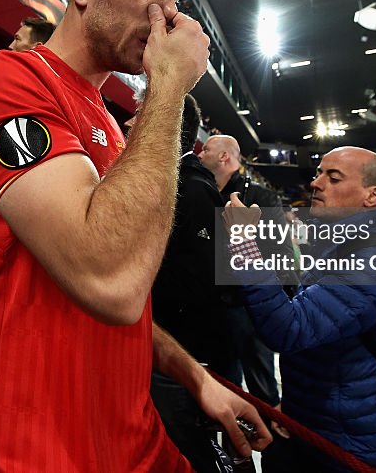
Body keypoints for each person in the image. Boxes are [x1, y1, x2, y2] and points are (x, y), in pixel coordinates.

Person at [0, 0, 270, 471]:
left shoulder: (106, 119)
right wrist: (168, 86)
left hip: (130, 437)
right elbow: (111, 281)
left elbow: (132, 302)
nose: (167, 14)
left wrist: (193, 374)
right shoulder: (13, 82)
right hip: (39, 449)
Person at [225, 146, 376, 472]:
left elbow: (289, 329)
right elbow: (330, 347)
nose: (315, 183)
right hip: (336, 429)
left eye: (333, 177)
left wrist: (243, 242)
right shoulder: (348, 245)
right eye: (318, 172)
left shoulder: (373, 261)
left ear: (372, 196)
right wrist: (299, 408)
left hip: (369, 447)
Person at [151, 95, 247, 472]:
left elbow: (199, 277)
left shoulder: (192, 188)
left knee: (191, 439)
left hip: (186, 341)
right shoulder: (192, 185)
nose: (127, 125)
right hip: (178, 340)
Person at [198, 134, 282, 411]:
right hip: (214, 306)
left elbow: (275, 255)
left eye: (206, 149)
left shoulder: (262, 196)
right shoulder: (203, 192)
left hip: (249, 307)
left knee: (262, 388)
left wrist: (244, 231)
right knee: (223, 387)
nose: (200, 154)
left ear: (223, 157)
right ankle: (235, 451)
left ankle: (271, 445)